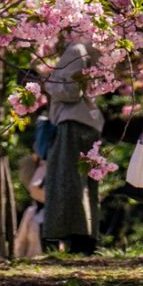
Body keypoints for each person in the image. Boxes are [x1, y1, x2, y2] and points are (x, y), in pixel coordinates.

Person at [42, 31, 105, 254]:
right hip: (90, 123)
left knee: (68, 181)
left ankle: (76, 238)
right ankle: (87, 237)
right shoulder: (94, 49)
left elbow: (70, 91)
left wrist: (47, 83)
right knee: (85, 183)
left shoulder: (76, 49)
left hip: (72, 122)